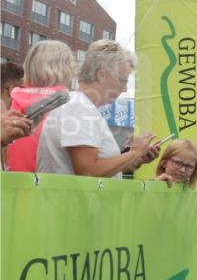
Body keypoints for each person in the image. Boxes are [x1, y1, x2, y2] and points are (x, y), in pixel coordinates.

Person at [37, 40, 160, 178]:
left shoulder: (80, 105)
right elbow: (88, 171)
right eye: (122, 80)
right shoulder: (79, 107)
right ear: (101, 74)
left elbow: (97, 169)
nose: (125, 88)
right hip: (71, 199)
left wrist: (135, 160)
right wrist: (135, 152)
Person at [7, 40, 77, 172]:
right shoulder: (68, 103)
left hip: (11, 184)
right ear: (65, 69)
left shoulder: (12, 100)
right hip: (48, 186)